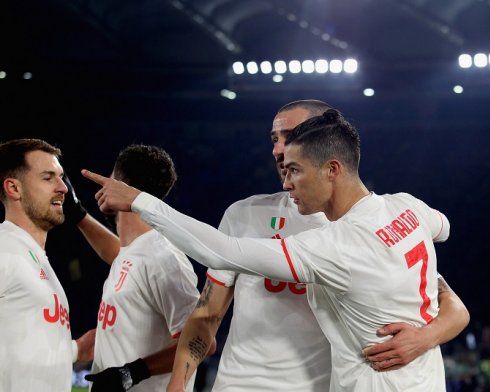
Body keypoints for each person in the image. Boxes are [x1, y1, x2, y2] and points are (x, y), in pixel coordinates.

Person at [83, 109, 458, 391]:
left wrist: (141, 201)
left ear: (330, 166)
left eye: (295, 163)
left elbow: (220, 250)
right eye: (275, 140)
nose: (284, 169)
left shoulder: (337, 243)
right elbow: (441, 229)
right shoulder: (404, 207)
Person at [82, 144, 203, 392]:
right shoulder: (132, 253)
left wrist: (133, 372)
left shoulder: (164, 257)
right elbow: (117, 252)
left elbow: (202, 341)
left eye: (110, 179)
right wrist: (77, 215)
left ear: (120, 187)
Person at [0, 138, 97, 391]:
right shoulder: (4, 248)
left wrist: (75, 350)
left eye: (61, 177)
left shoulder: (35, 258)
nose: (63, 187)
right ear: (14, 188)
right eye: (48, 177)